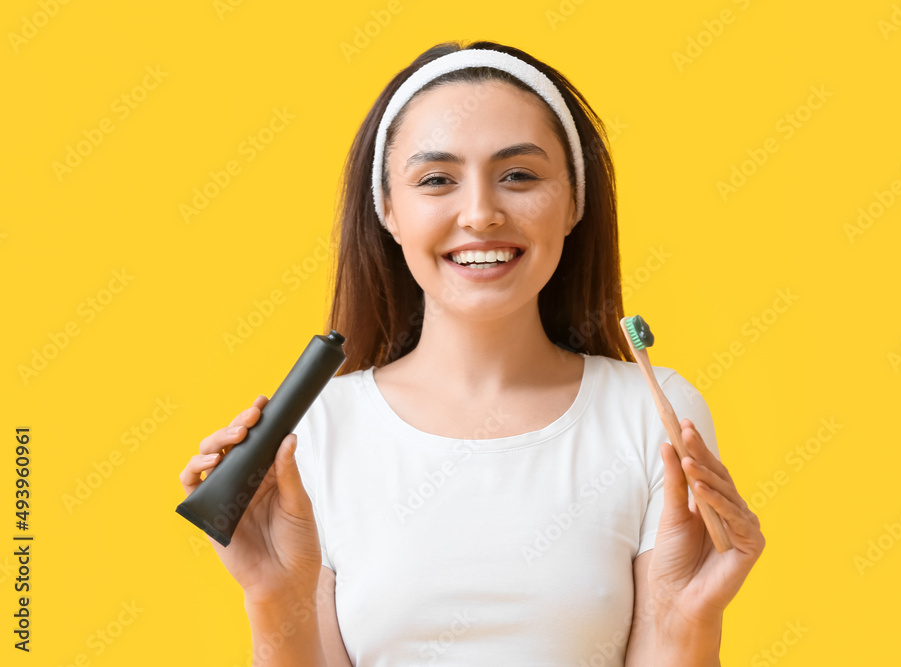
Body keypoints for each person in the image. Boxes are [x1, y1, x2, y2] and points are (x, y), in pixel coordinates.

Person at [179, 40, 764, 666]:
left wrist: (688, 618)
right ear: (388, 210)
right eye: (436, 180)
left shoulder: (656, 414)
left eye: (519, 175)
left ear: (574, 203)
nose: (482, 214)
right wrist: (272, 597)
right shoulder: (315, 432)